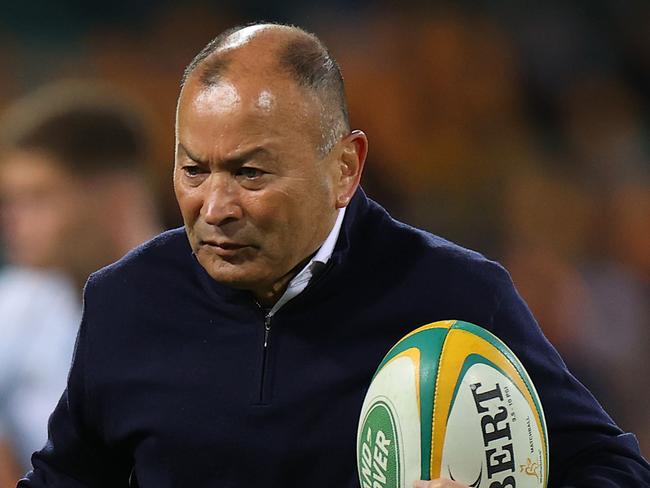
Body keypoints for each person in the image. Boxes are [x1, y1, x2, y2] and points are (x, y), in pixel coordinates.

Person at [17, 24, 650, 488]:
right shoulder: (125, 300)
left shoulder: (455, 297)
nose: (214, 206)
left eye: (250, 173)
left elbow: (609, 466)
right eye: (192, 170)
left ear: (344, 168)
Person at [0, 81, 161, 483]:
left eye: (39, 197)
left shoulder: (200, 306)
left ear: (116, 199)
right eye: (10, 201)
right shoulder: (22, 299)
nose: (13, 221)